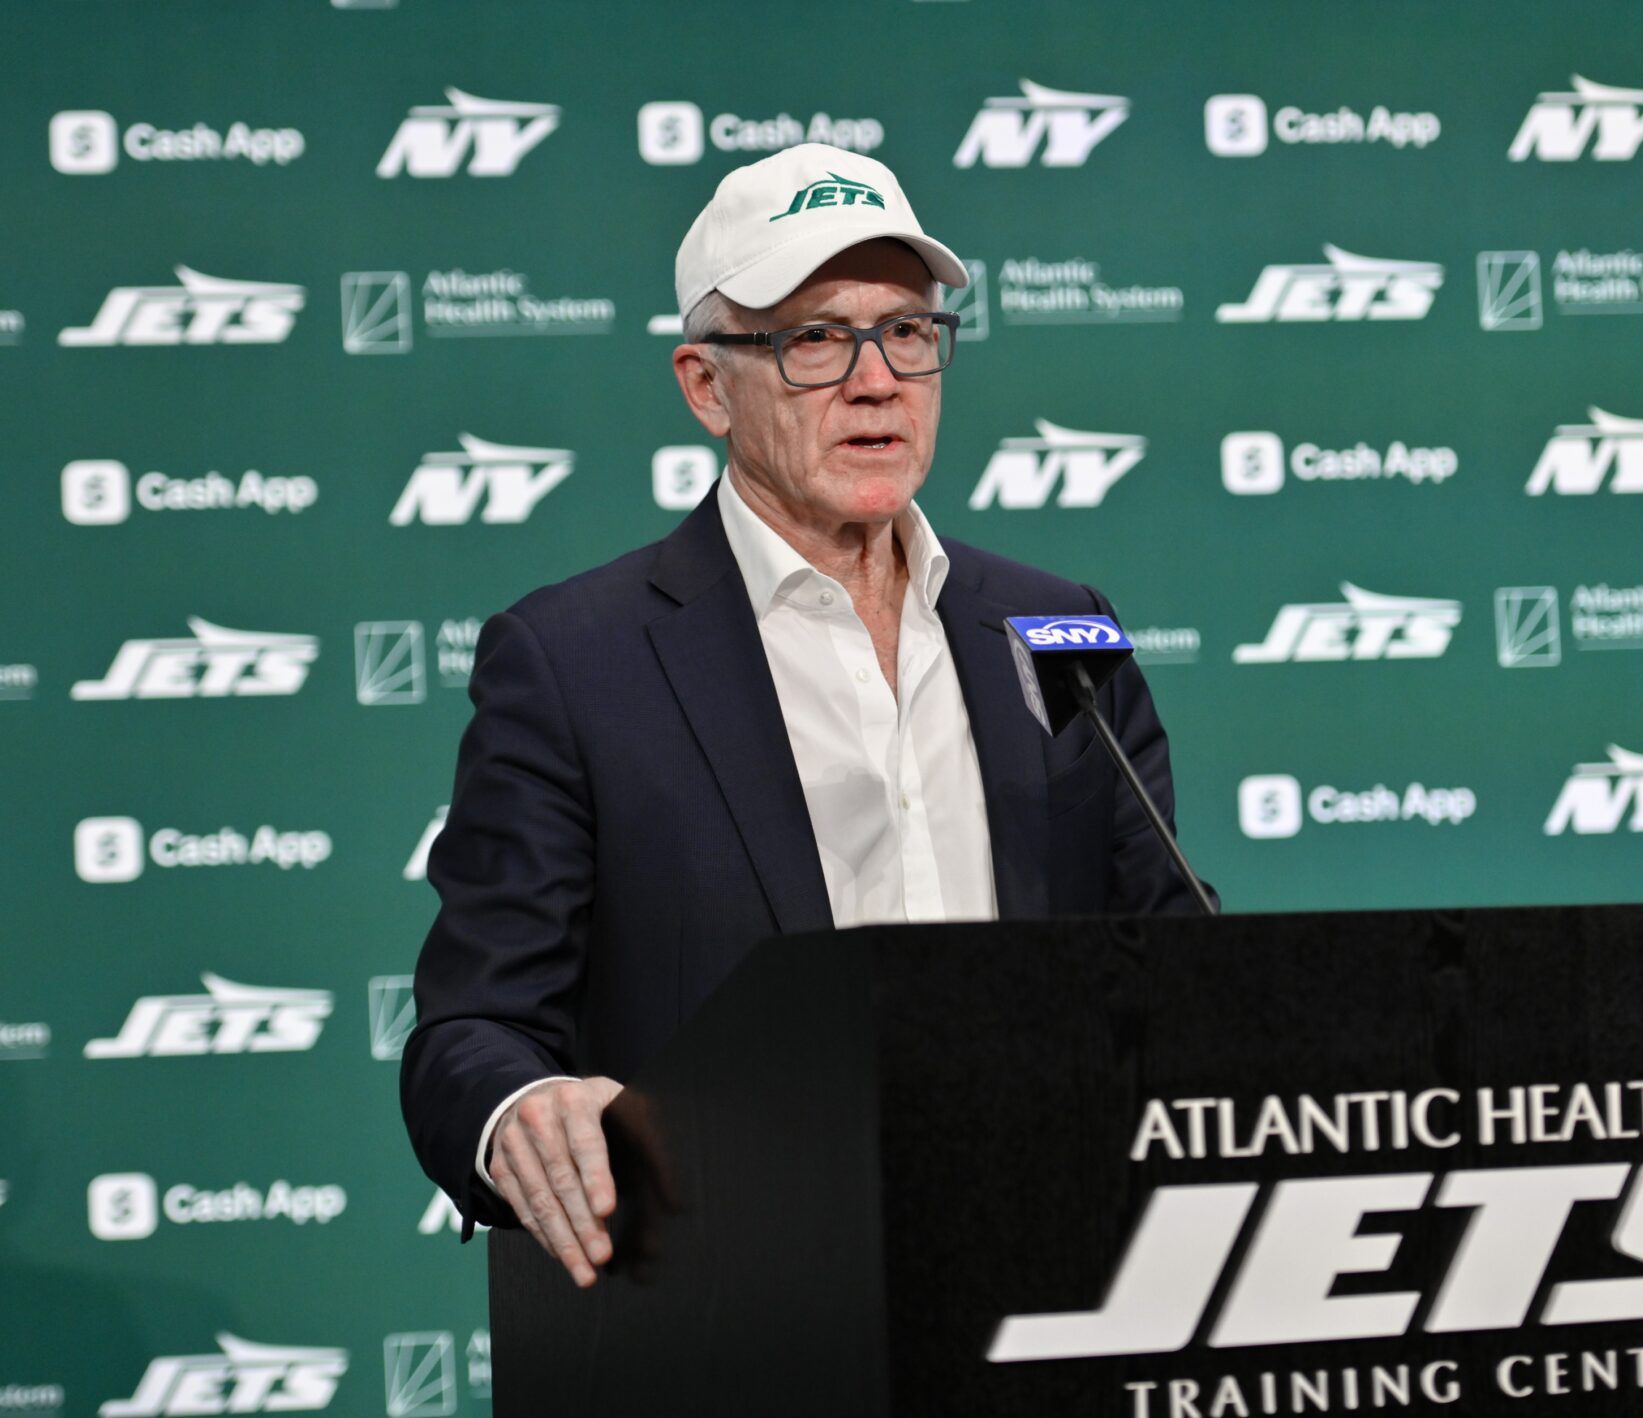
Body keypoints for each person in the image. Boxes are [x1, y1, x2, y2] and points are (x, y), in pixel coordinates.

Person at [399, 143, 1212, 1288]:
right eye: (815, 338)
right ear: (705, 383)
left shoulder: (1058, 624)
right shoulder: (574, 663)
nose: (876, 379)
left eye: (909, 331)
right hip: (744, 1289)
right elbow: (470, 1030)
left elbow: (1175, 953)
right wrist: (525, 1106)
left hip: (1059, 1256)